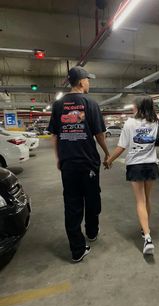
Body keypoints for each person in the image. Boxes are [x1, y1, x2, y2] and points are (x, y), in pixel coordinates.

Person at [48, 66, 109, 263]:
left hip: (68, 165)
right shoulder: (90, 103)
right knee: (92, 199)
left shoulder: (58, 105)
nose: (89, 83)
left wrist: (59, 159)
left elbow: (55, 136)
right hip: (88, 163)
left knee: (72, 205)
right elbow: (99, 134)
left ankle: (77, 249)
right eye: (88, 80)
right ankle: (91, 232)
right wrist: (107, 153)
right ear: (81, 82)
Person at [104, 96, 159, 255]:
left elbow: (121, 147)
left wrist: (109, 161)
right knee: (147, 199)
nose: (132, 107)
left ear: (139, 107)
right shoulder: (158, 123)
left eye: (133, 105)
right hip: (151, 165)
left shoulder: (129, 123)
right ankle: (145, 229)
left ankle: (147, 237)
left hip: (135, 166)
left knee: (140, 201)